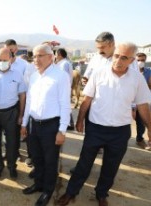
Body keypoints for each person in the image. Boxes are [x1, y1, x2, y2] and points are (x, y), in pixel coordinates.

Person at [56, 43, 151, 206]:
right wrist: (80, 120)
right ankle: (71, 192)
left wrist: (150, 128)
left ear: (132, 60)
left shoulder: (137, 79)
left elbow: (142, 105)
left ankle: (101, 194)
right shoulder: (99, 73)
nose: (118, 60)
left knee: (111, 166)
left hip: (120, 132)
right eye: (116, 56)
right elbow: (87, 99)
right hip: (96, 128)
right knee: (84, 163)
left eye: (124, 58)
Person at [21, 44, 71, 206]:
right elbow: (29, 101)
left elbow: (65, 104)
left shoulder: (60, 76)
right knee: (36, 156)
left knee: (50, 160)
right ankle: (38, 183)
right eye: (34, 56)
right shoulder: (34, 76)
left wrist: (62, 130)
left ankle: (48, 190)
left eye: (40, 56)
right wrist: (24, 123)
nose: (36, 59)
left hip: (51, 125)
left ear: (51, 57)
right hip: (34, 124)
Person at [0, 48, 26, 179]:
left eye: (5, 60)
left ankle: (12, 167)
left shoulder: (17, 74)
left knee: (12, 142)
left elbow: (22, 95)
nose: (2, 62)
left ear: (11, 59)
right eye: (0, 60)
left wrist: (21, 115)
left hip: (11, 113)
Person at [133, 52, 151, 149]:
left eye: (142, 60)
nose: (140, 62)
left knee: (146, 121)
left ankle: (144, 140)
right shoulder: (130, 72)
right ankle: (139, 139)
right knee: (139, 122)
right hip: (134, 101)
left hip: (146, 101)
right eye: (138, 60)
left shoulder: (149, 71)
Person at [55, 48, 75, 130]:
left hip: (63, 89)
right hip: (64, 88)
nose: (55, 56)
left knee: (64, 106)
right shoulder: (63, 63)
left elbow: (62, 78)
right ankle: (70, 123)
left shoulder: (64, 64)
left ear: (59, 55)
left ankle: (69, 124)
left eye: (56, 54)